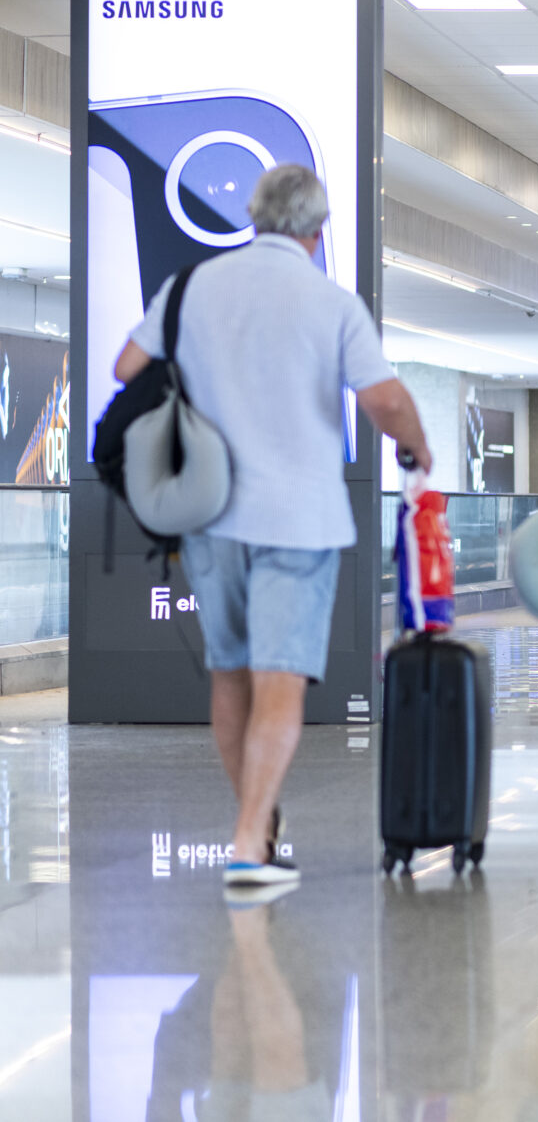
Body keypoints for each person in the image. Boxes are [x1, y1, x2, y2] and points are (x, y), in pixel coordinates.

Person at [113, 164, 433, 890]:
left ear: (252, 217)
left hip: (210, 512)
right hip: (298, 517)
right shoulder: (331, 301)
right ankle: (250, 842)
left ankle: (258, 824)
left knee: (230, 674)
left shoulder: (193, 285)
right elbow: (382, 399)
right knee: (279, 680)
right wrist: (416, 444)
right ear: (318, 233)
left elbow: (127, 363)